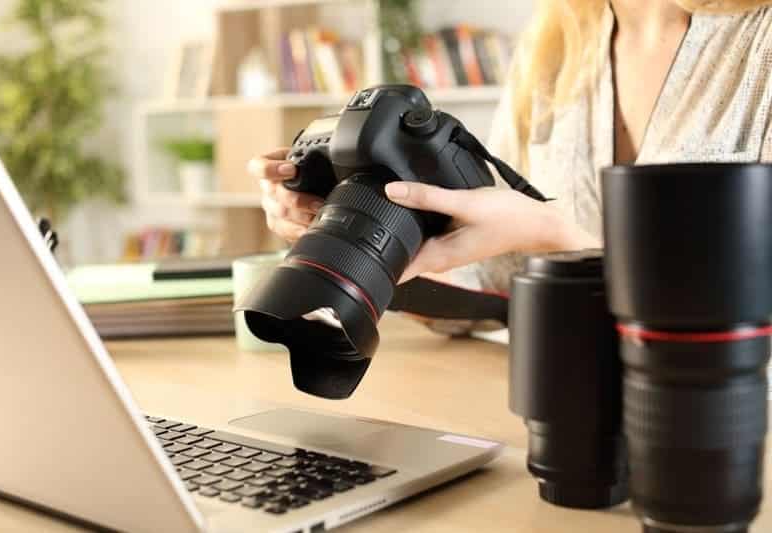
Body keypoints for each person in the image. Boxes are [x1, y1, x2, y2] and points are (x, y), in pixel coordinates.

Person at [249, 0, 772, 330]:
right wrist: (353, 231)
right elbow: (494, 282)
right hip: (560, 404)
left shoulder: (760, 40)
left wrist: (562, 241)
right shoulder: (554, 48)